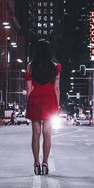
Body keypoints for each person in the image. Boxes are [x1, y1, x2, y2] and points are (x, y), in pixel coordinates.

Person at [25, 39, 61, 176]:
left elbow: (28, 89)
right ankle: (45, 163)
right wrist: (57, 106)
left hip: (35, 99)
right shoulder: (56, 66)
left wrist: (29, 103)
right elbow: (57, 88)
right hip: (50, 100)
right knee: (47, 134)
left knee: (35, 134)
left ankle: (36, 163)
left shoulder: (30, 66)